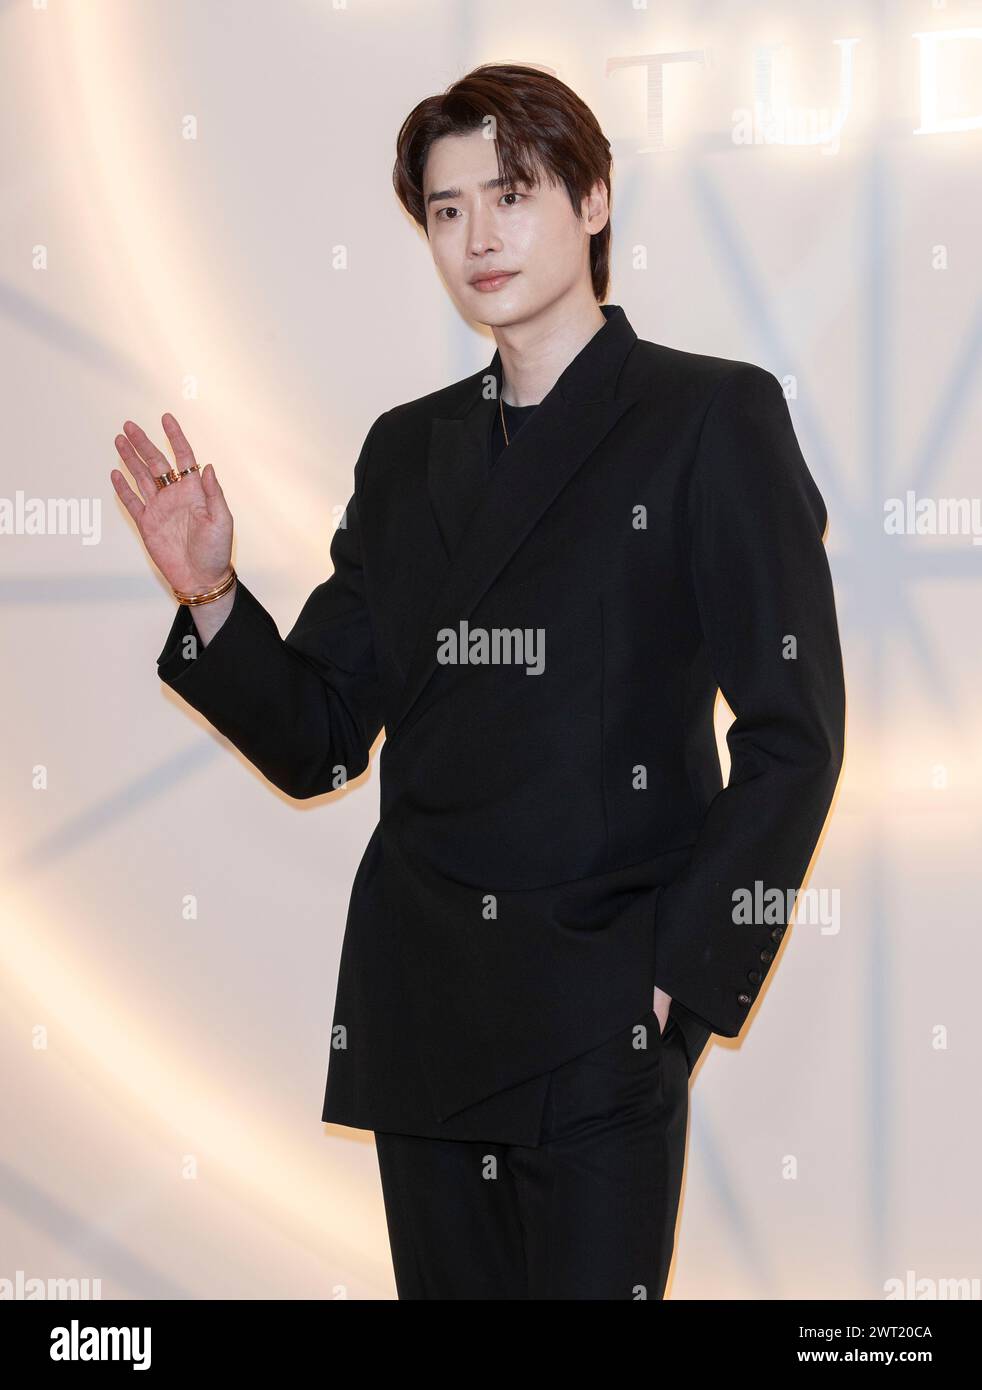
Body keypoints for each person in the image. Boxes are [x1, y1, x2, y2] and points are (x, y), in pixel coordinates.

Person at [110, 64, 846, 1299]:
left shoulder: (709, 415)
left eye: (510, 193)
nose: (478, 235)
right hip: (427, 1005)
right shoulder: (409, 451)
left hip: (603, 1011)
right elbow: (324, 738)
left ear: (595, 198)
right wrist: (211, 595)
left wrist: (673, 974)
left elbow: (795, 733)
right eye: (446, 210)